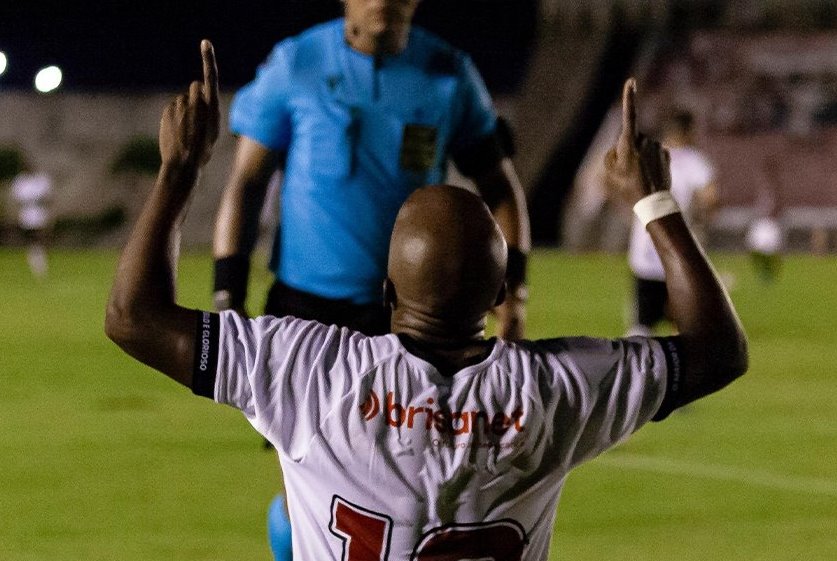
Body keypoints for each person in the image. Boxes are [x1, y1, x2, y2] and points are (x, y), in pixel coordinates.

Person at [105, 45, 748, 561]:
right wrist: (657, 203)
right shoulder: (556, 391)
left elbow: (133, 317)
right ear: (499, 295)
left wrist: (179, 171)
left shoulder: (307, 371)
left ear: (386, 294)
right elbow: (719, 350)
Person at [212, 0, 530, 341]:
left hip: (416, 317)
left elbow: (499, 188)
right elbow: (247, 181)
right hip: (302, 313)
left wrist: (514, 298)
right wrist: (228, 295)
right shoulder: (296, 64)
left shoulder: (451, 75)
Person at [624, 108, 718, 336]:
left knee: (642, 327)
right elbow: (710, 198)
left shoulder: (647, 156)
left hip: (645, 250)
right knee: (686, 322)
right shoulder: (695, 161)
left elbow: (620, 184)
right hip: (676, 250)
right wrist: (699, 219)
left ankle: (639, 368)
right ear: (688, 131)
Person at [11, 161, 53, 279]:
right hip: (27, 214)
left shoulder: (40, 180)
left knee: (41, 236)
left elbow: (48, 198)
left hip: (39, 213)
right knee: (31, 237)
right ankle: (34, 257)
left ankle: (40, 257)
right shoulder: (20, 181)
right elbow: (17, 200)